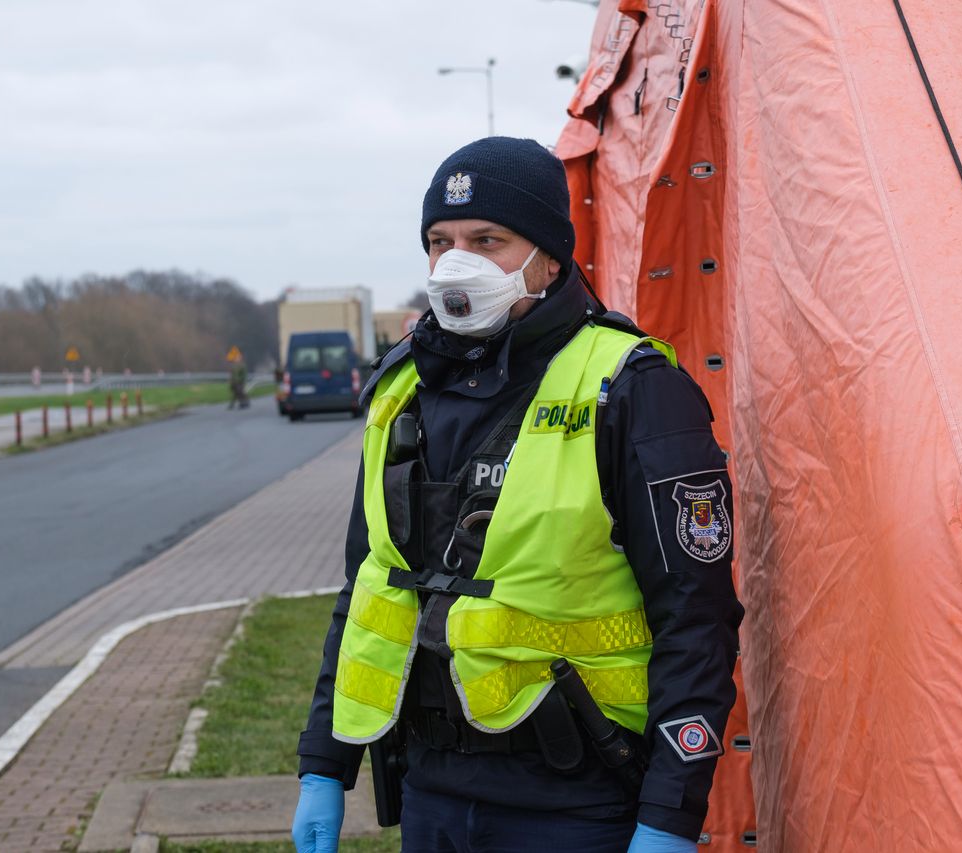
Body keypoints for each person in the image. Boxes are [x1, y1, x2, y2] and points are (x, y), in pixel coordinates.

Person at [292, 137, 743, 853]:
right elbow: (369, 589)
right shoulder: (403, 389)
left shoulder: (631, 387)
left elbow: (697, 614)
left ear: (550, 255)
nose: (456, 263)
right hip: (431, 794)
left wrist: (671, 814)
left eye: (487, 239)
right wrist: (324, 763)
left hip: (579, 805)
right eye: (440, 242)